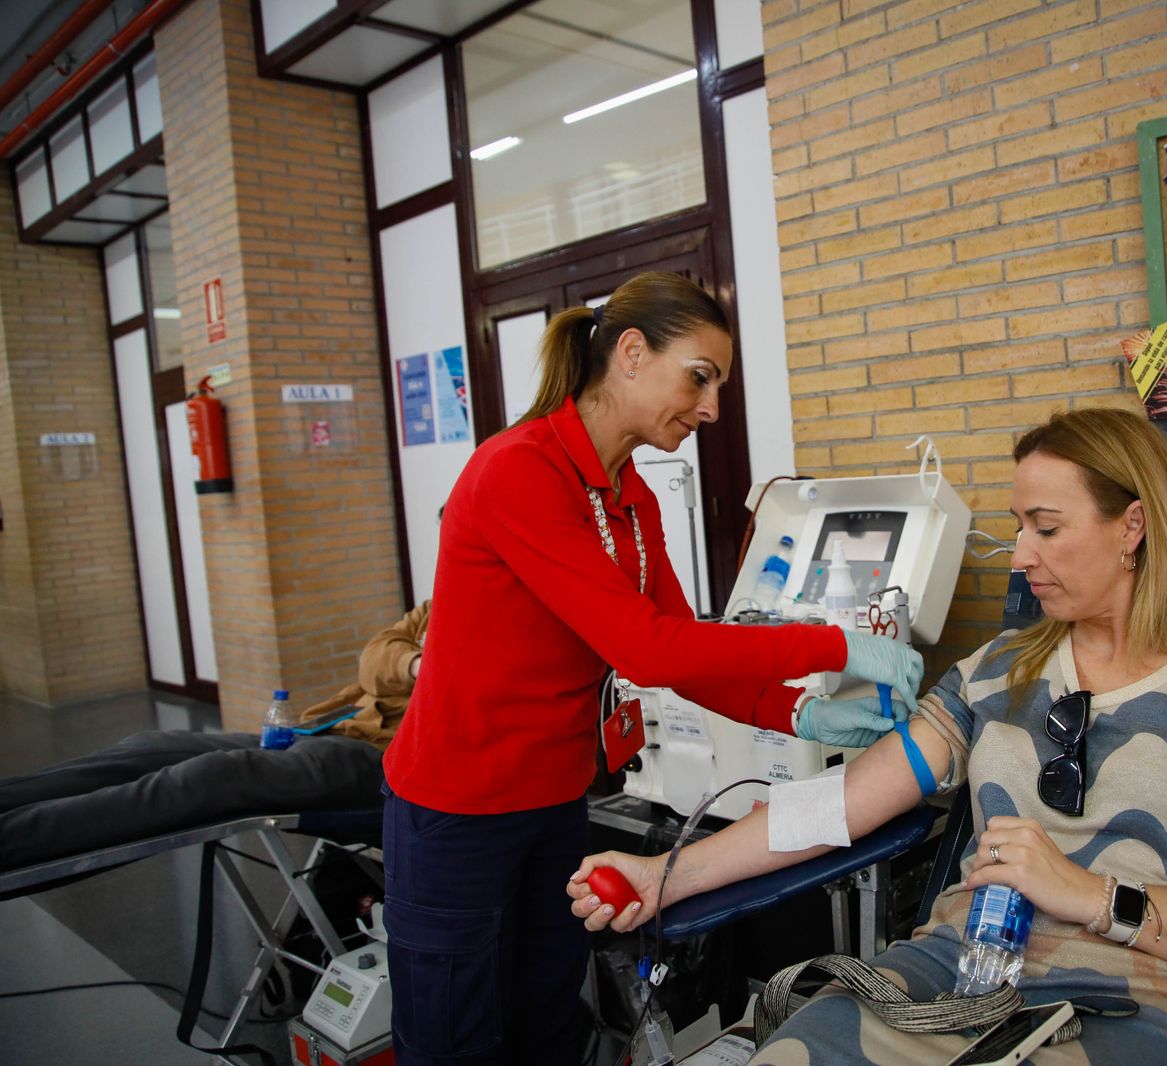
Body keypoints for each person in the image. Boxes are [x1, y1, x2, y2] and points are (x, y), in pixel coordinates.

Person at [571, 409, 1167, 1066]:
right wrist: (663, 876)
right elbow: (835, 805)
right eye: (1017, 528)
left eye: (1047, 528)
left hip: (1143, 1006)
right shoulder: (994, 672)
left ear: (1130, 526)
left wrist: (1093, 896)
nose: (1021, 554)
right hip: (956, 982)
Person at [380, 271, 922, 1066]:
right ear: (631, 354)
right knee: (454, 1042)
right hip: (458, 810)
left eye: (719, 387)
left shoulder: (632, 498)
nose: (709, 408)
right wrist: (833, 645)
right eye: (698, 378)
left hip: (554, 800)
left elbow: (679, 648)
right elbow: (649, 648)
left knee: (546, 1028)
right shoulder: (518, 472)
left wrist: (797, 713)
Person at [0, 600, 429, 872]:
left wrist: (432, 662)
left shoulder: (493, 621)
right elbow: (374, 658)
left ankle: (13, 840)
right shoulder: (435, 607)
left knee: (214, 776)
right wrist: (415, 663)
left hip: (377, 761)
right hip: (327, 730)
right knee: (153, 747)